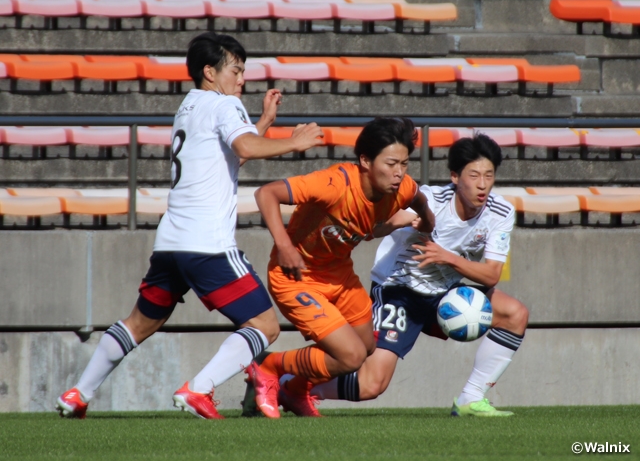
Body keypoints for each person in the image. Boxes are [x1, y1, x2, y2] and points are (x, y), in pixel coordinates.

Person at [56, 32, 323, 420]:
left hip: (171, 243)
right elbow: (245, 147)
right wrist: (294, 142)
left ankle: (78, 393)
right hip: (207, 243)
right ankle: (199, 389)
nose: (242, 79)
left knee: (138, 324)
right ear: (210, 72)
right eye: (236, 70)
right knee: (265, 326)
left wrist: (264, 122)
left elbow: (228, 159)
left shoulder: (189, 106)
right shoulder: (224, 104)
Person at [305, 133, 529, 417]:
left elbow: (492, 274)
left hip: (444, 292)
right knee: (371, 385)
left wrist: (446, 257)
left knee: (514, 314)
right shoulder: (429, 200)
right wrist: (395, 222)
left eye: (489, 175)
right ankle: (291, 383)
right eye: (474, 175)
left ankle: (470, 398)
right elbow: (379, 227)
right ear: (455, 177)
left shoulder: (501, 211)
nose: (482, 184)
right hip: (399, 291)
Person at [244, 117, 436, 418]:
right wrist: (284, 247)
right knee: (351, 356)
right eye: (390, 164)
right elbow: (266, 193)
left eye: (404, 164)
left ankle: (295, 390)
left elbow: (419, 200)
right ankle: (268, 366)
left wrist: (427, 222)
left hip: (340, 276)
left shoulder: (402, 188)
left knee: (366, 347)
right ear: (365, 161)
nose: (399, 172)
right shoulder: (334, 184)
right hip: (296, 278)